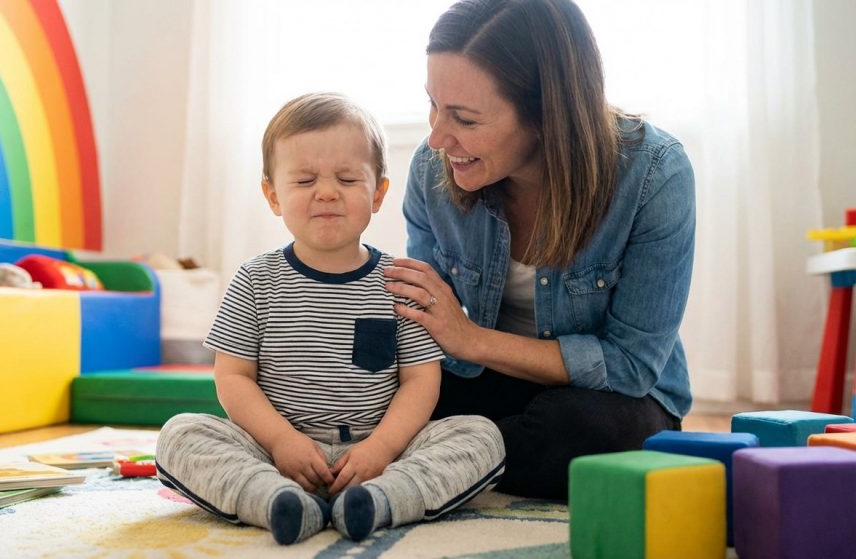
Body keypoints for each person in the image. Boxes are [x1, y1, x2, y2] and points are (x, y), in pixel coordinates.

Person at [155, 92, 505, 545]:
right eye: (303, 181)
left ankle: (379, 501)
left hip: (381, 456)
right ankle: (277, 501)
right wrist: (281, 442)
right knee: (180, 434)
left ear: (378, 192)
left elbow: (421, 382)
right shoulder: (256, 280)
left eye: (346, 178)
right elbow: (233, 377)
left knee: (480, 436)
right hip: (274, 452)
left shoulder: (400, 281)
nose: (325, 192)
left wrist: (380, 450)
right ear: (272, 194)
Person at [384, 0, 695, 500]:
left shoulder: (655, 175)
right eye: (434, 105)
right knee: (380, 397)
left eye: (463, 118)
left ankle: (437, 459)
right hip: (492, 381)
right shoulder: (430, 169)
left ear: (547, 114)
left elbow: (632, 366)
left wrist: (473, 340)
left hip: (610, 398)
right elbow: (426, 323)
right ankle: (459, 458)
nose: (438, 137)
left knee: (591, 432)